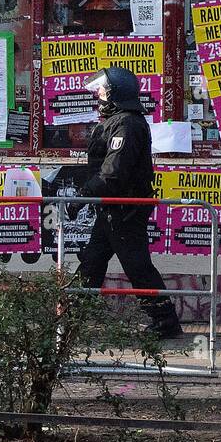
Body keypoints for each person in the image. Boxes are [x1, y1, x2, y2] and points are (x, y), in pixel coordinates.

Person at [72, 67, 182, 338]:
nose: (97, 94)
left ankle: (165, 321)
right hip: (113, 208)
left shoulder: (127, 124)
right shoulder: (118, 121)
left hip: (125, 209)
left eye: (102, 90)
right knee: (93, 261)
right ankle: (73, 315)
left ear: (115, 93)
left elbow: (114, 172)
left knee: (136, 265)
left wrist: (84, 195)